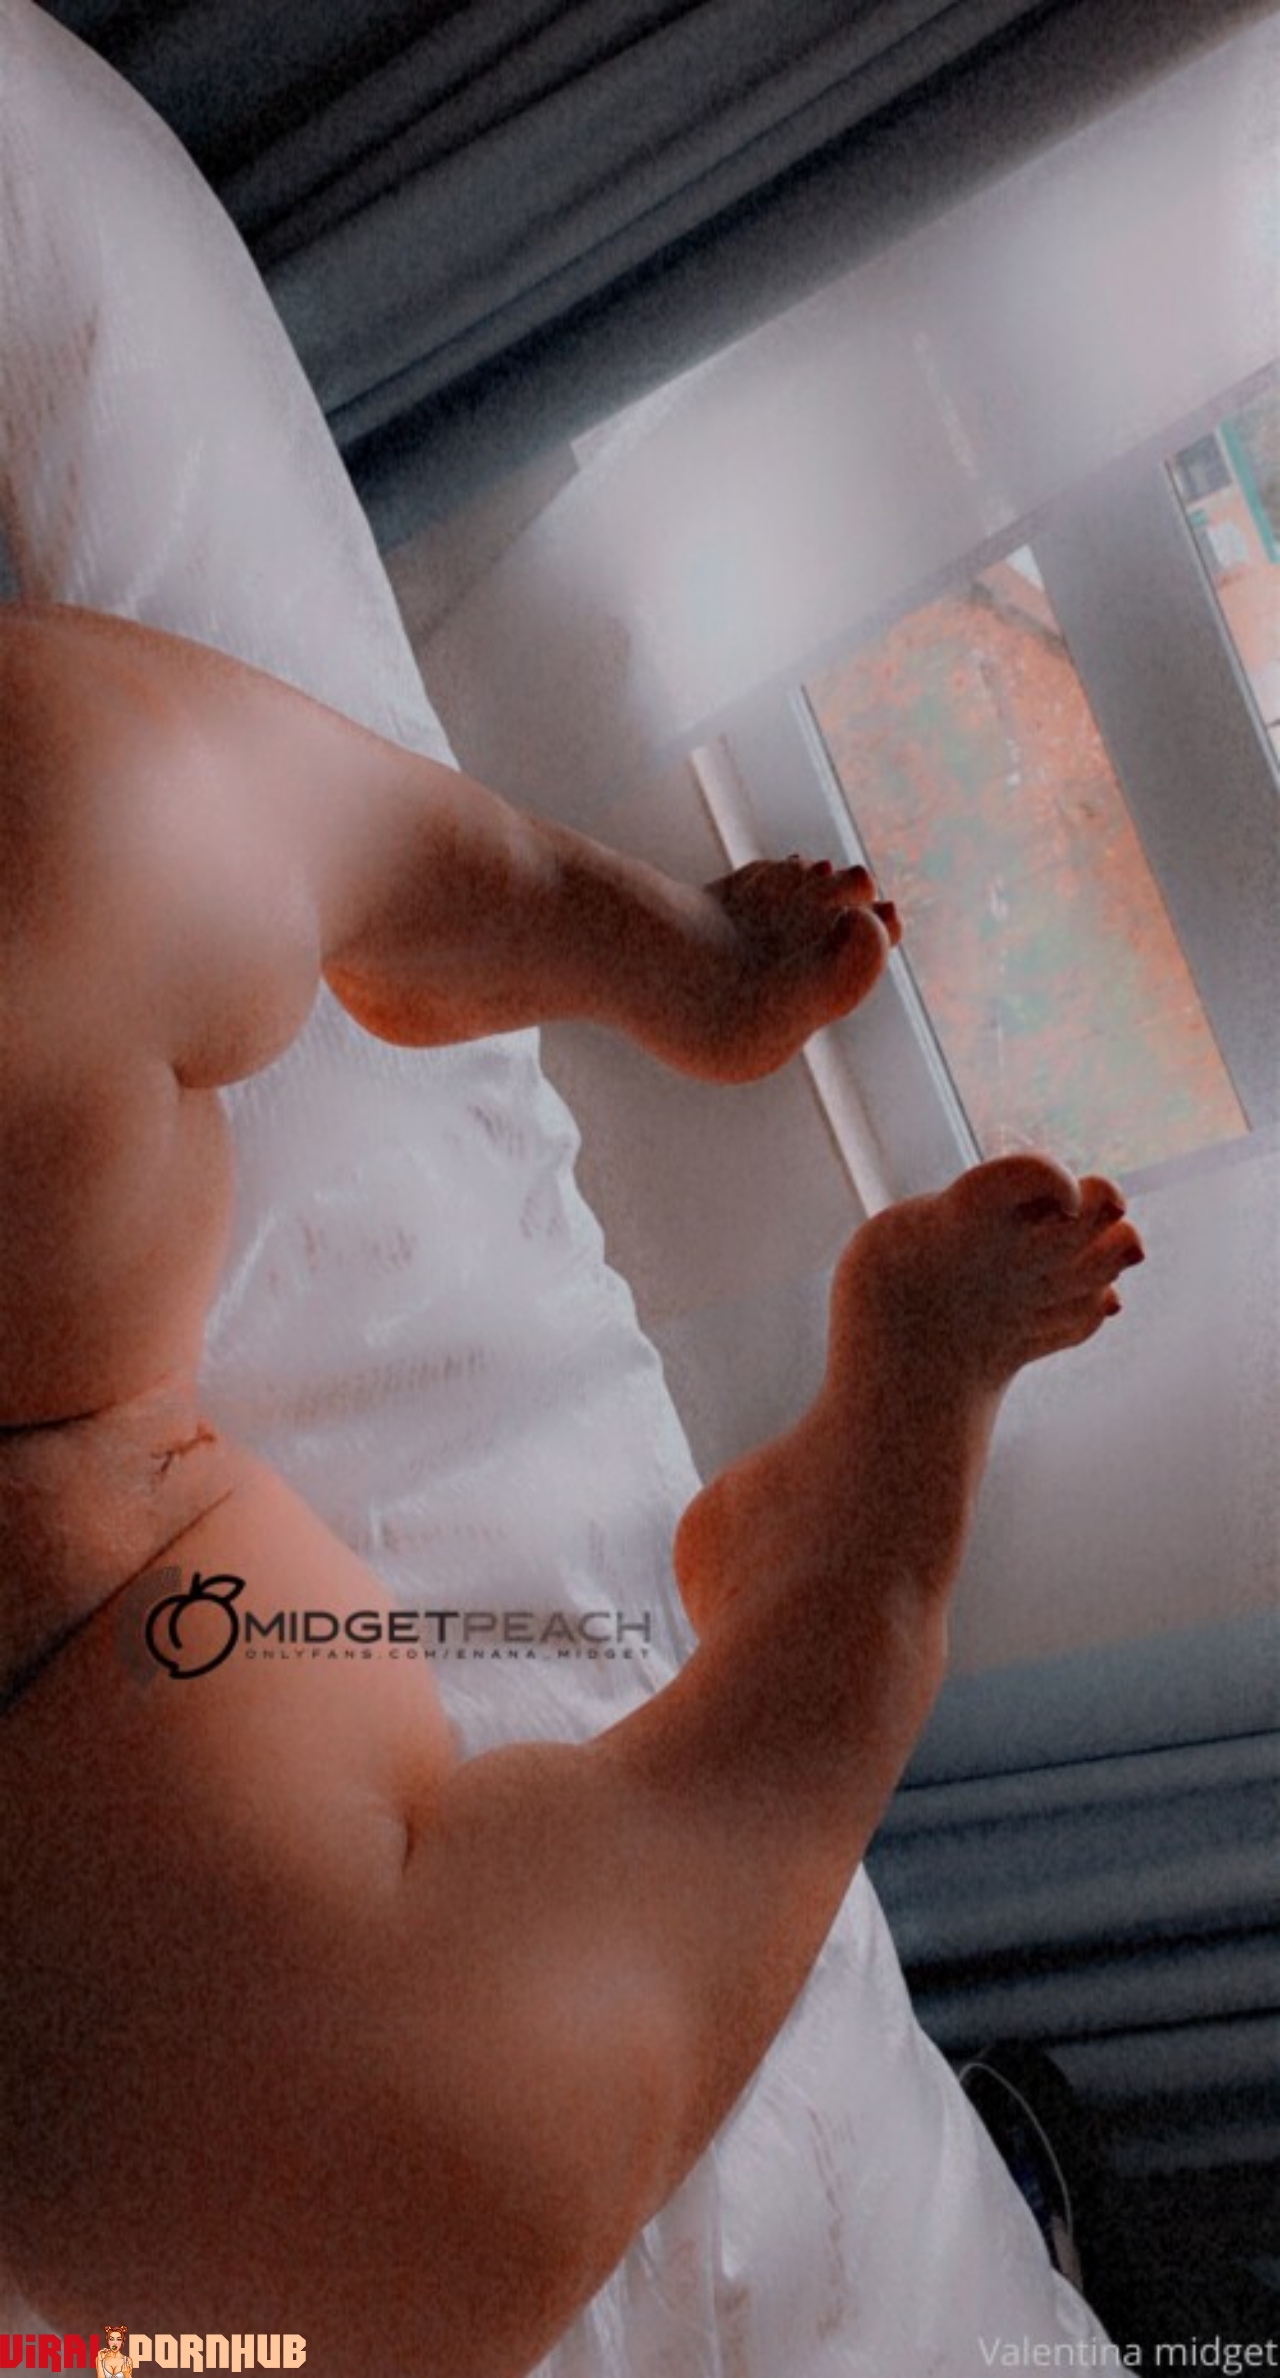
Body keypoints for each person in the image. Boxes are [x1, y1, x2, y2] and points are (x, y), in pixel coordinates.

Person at [0, 6, 1145, 2370]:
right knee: (450, 2198)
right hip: (110, 1864)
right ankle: (841, 1565)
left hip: (102, 1662)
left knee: (92, 820)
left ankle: (644, 984)